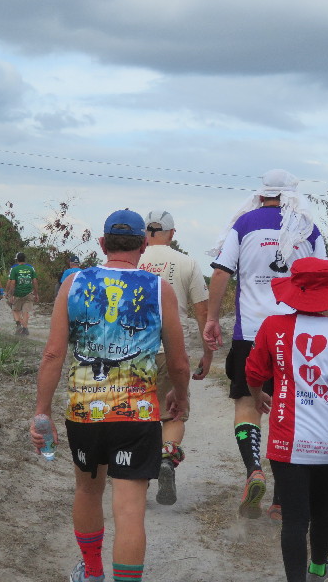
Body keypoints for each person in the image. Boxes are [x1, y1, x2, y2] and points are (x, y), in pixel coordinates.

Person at [30, 209, 190, 582]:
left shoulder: (73, 283)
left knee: (88, 491)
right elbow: (179, 362)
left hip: (85, 413)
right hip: (138, 415)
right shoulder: (158, 289)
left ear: (102, 244)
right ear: (143, 244)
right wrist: (180, 396)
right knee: (130, 510)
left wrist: (42, 411)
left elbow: (52, 354)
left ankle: (92, 572)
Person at [203, 169, 326, 520]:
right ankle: (281, 500)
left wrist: (212, 318)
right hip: (298, 334)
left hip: (252, 333)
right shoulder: (310, 229)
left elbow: (221, 272)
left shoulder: (244, 224)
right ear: (291, 195)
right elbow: (324, 281)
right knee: (291, 411)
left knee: (247, 404)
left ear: (262, 194)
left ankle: (253, 469)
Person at [246, 257, 328, 582]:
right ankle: (318, 569)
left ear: (294, 289)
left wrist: (258, 395)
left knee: (295, 520)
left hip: (287, 444)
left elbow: (254, 371)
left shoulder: (273, 326)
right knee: (323, 509)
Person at [138, 209, 214, 505]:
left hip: (134, 352)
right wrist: (207, 353)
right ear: (172, 233)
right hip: (170, 351)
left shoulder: (134, 261)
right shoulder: (187, 263)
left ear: (145, 233)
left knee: (139, 415)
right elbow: (202, 312)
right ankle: (167, 458)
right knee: (173, 412)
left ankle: (138, 476)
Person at [6, 252, 39, 336]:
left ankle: (18, 325)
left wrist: (10, 294)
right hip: (29, 293)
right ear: (25, 259)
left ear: (17, 260)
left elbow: (12, 283)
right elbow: (35, 281)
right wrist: (36, 293)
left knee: (15, 310)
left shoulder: (14, 269)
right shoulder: (30, 268)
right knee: (25, 312)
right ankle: (25, 329)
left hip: (18, 294)